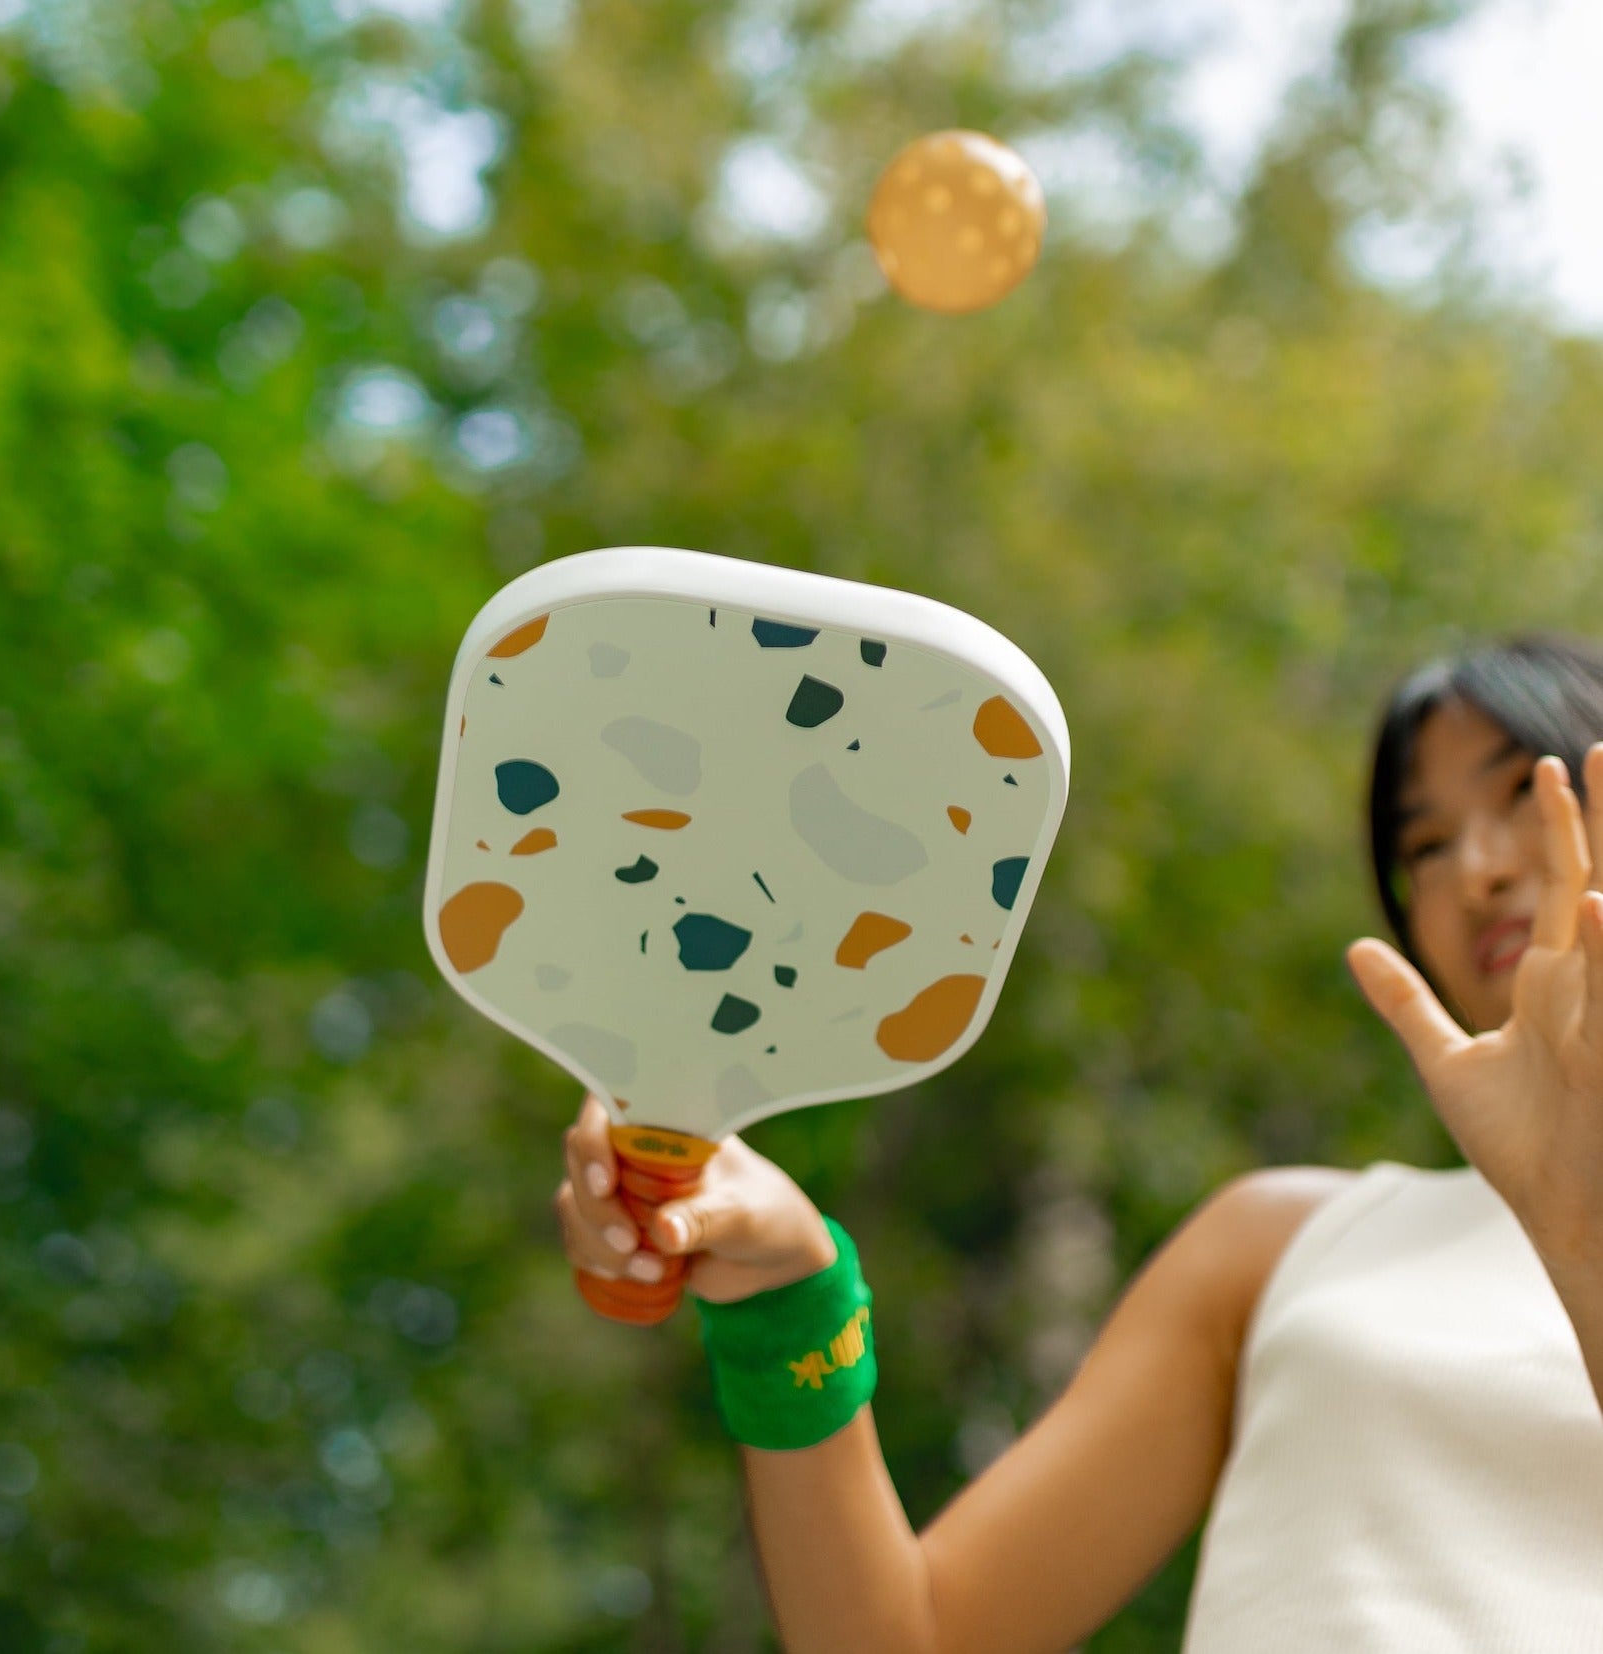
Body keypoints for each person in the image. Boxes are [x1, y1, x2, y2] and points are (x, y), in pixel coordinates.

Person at [555, 634, 1603, 1652]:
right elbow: (903, 1638)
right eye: (1423, 843)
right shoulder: (1283, 1240)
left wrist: (1577, 1231)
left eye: (1527, 789)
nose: (1478, 868)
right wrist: (785, 1300)